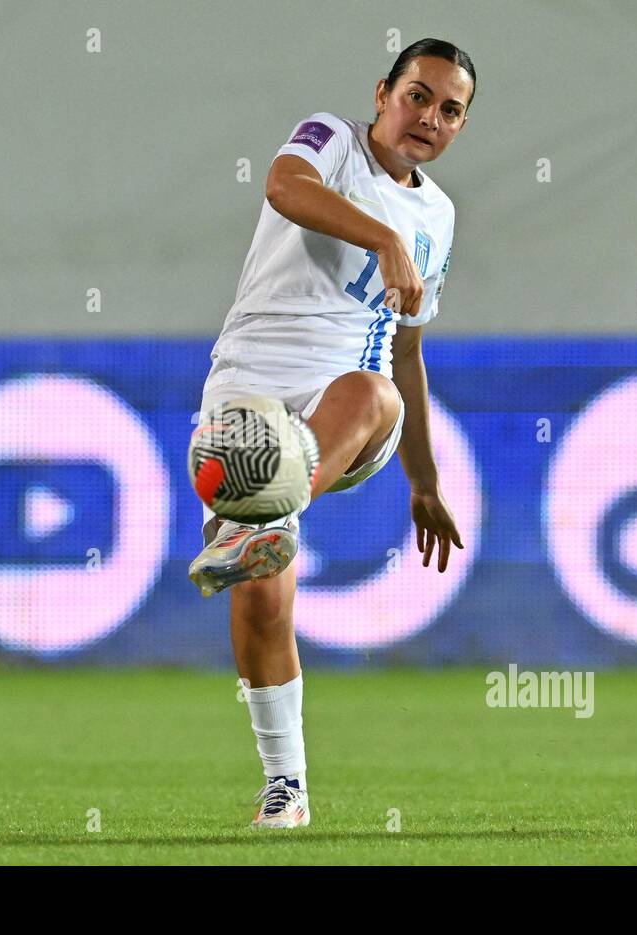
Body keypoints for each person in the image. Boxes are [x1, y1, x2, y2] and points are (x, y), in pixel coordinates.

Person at [187, 38, 474, 828]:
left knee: (371, 389)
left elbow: (407, 350)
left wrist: (424, 482)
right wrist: (378, 236)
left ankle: (266, 515)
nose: (431, 117)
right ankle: (287, 787)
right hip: (245, 398)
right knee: (263, 600)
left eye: (451, 109)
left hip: (348, 416)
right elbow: (285, 185)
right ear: (383, 92)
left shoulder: (438, 218)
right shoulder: (330, 138)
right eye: (420, 95)